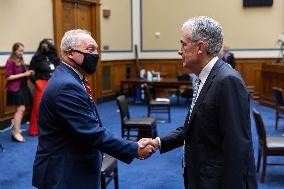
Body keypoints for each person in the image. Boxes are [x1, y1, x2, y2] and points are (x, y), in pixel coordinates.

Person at [32, 29, 156, 189]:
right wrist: (134, 148)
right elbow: (91, 132)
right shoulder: (66, 86)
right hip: (65, 173)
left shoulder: (72, 77)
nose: (96, 55)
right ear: (70, 53)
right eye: (90, 50)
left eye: (96, 49)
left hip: (75, 165)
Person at [148, 16, 257, 189]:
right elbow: (194, 128)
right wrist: (158, 142)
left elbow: (237, 149)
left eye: (183, 44)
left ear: (200, 47)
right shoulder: (204, 78)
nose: (179, 50)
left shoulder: (227, 80)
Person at [28, 39, 60, 136]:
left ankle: (54, 128)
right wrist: (37, 82)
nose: (45, 48)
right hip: (41, 84)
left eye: (47, 46)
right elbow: (31, 73)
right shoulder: (36, 58)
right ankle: (35, 129)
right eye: (43, 46)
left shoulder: (54, 58)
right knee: (38, 107)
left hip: (54, 84)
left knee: (55, 106)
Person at [5, 42, 34, 142]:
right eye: (20, 51)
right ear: (14, 51)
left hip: (23, 88)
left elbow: (22, 73)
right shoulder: (10, 61)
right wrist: (24, 74)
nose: (22, 53)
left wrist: (28, 73)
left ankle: (16, 129)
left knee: (20, 109)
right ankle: (16, 133)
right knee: (21, 109)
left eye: (23, 51)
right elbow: (8, 77)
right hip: (14, 89)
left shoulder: (20, 60)